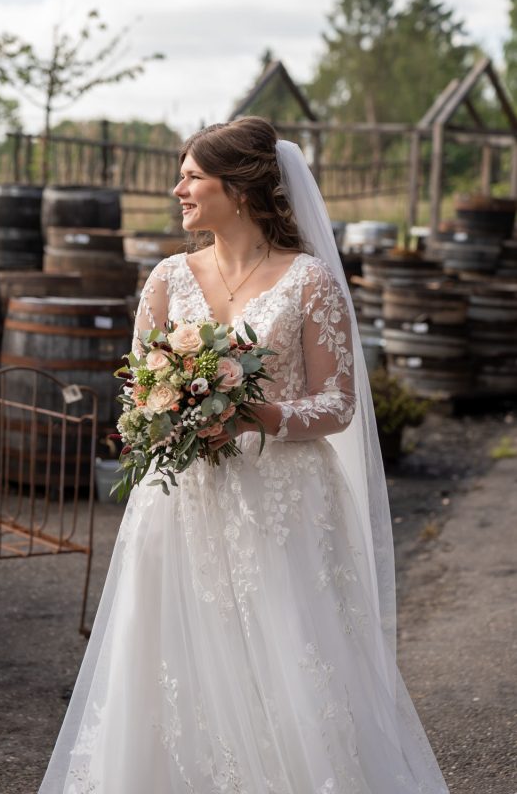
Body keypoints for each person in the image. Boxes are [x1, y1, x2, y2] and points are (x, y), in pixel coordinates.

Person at [39, 117, 449, 794]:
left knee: (286, 658)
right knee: (172, 661)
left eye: (193, 176)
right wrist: (163, 415)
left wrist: (256, 414)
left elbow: (337, 404)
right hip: (181, 503)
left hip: (280, 501)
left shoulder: (308, 281)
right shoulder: (168, 279)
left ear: (240, 189)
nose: (179, 189)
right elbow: (137, 391)